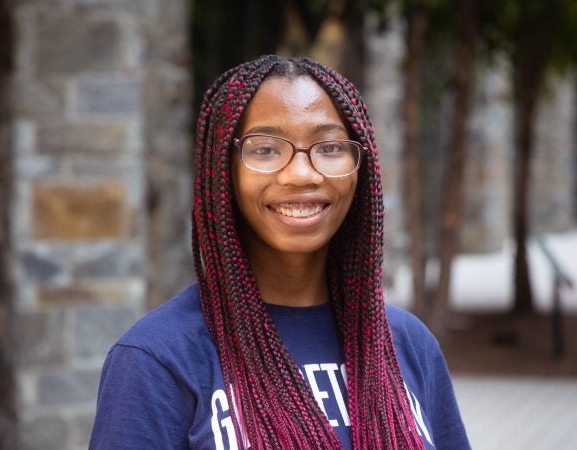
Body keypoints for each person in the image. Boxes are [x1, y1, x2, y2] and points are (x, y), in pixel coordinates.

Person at [89, 55, 470, 450]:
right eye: (266, 149)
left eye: (330, 146)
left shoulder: (406, 344)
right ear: (223, 169)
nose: (302, 173)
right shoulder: (158, 359)